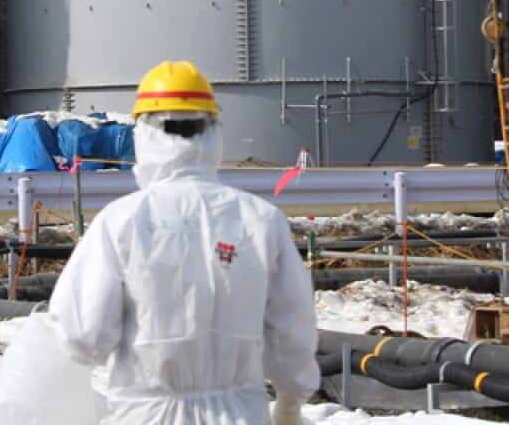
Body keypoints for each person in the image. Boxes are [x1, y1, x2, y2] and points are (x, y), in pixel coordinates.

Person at [48, 61, 319, 425]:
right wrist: (291, 397)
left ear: (144, 133)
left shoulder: (121, 221)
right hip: (240, 412)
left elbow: (82, 335)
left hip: (144, 413)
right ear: (213, 132)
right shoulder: (260, 219)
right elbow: (293, 326)